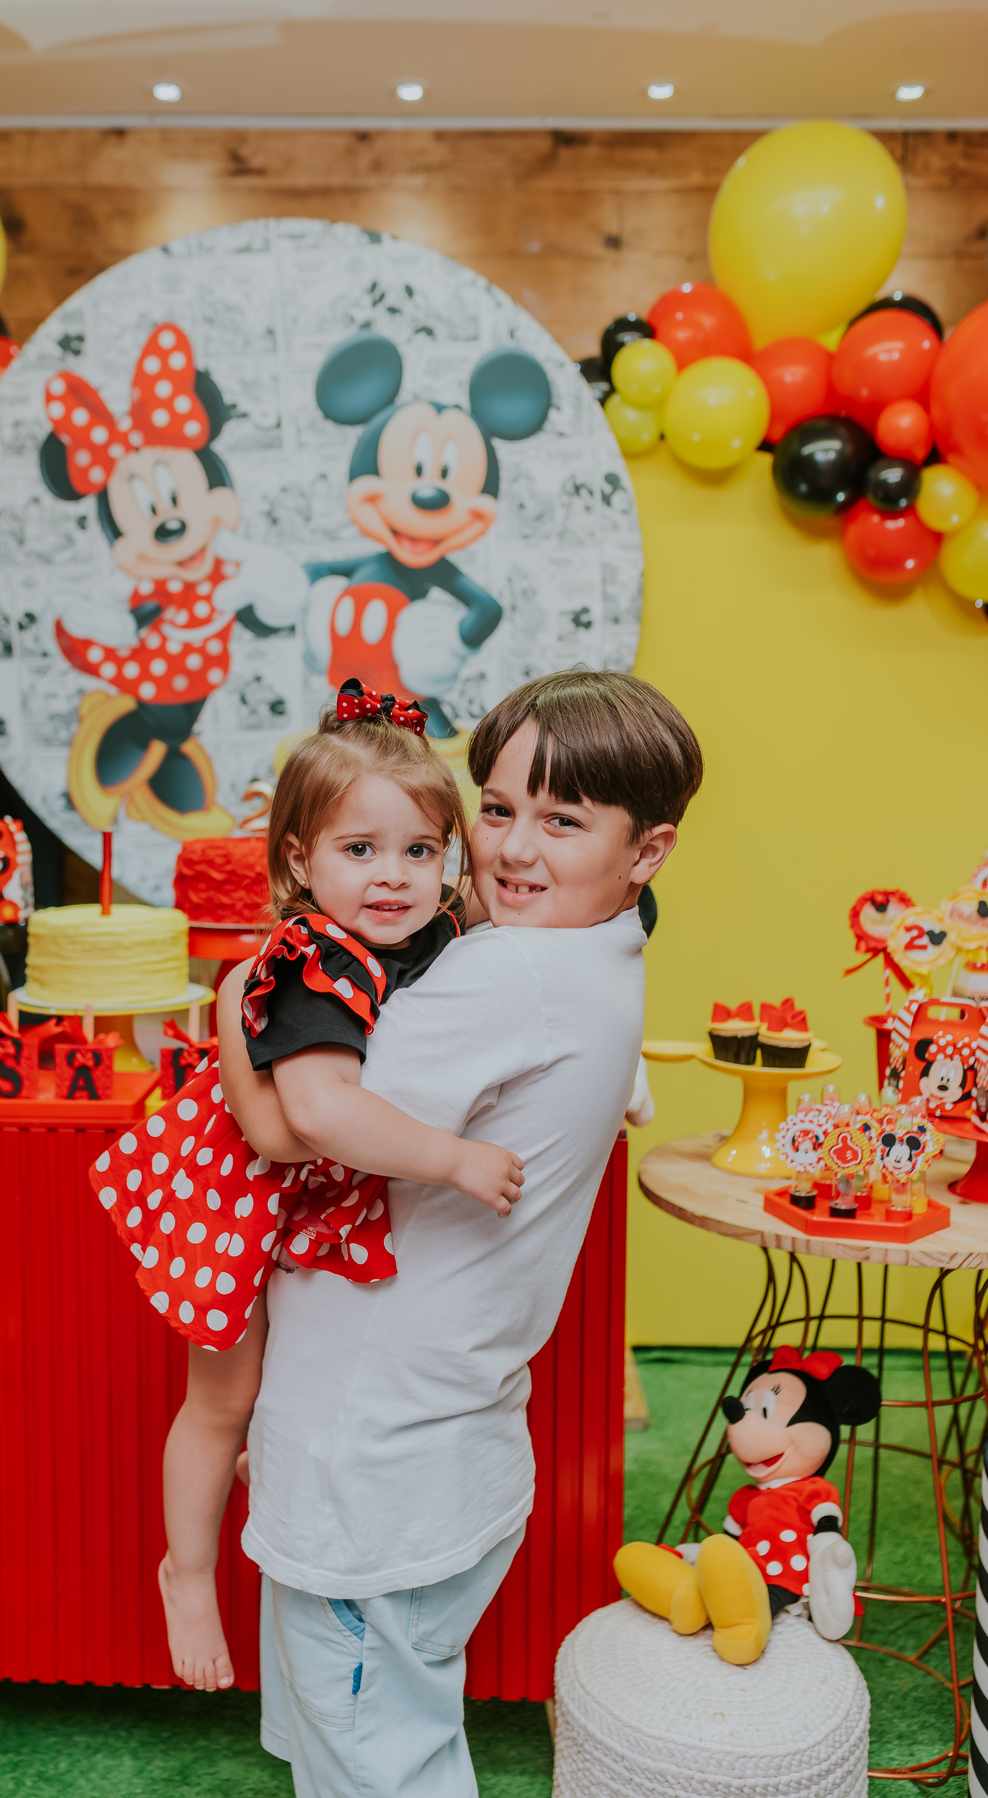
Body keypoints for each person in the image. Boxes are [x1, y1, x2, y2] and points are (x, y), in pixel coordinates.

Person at [230, 667, 702, 1797]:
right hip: (447, 1431)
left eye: (563, 821)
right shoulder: (604, 949)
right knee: (392, 1736)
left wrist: (236, 1004)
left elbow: (298, 1124)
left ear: (648, 849)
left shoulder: (505, 975)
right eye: (495, 809)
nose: (513, 850)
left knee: (373, 1764)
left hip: (375, 1454)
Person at [90, 677, 525, 1693]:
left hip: (315, 1198)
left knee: (310, 1373)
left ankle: (260, 1465)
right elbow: (304, 1124)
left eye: (419, 850)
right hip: (233, 1193)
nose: (393, 876)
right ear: (299, 859)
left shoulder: (426, 930)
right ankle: (187, 1570)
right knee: (223, 1397)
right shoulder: (309, 962)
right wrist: (456, 1158)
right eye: (359, 849)